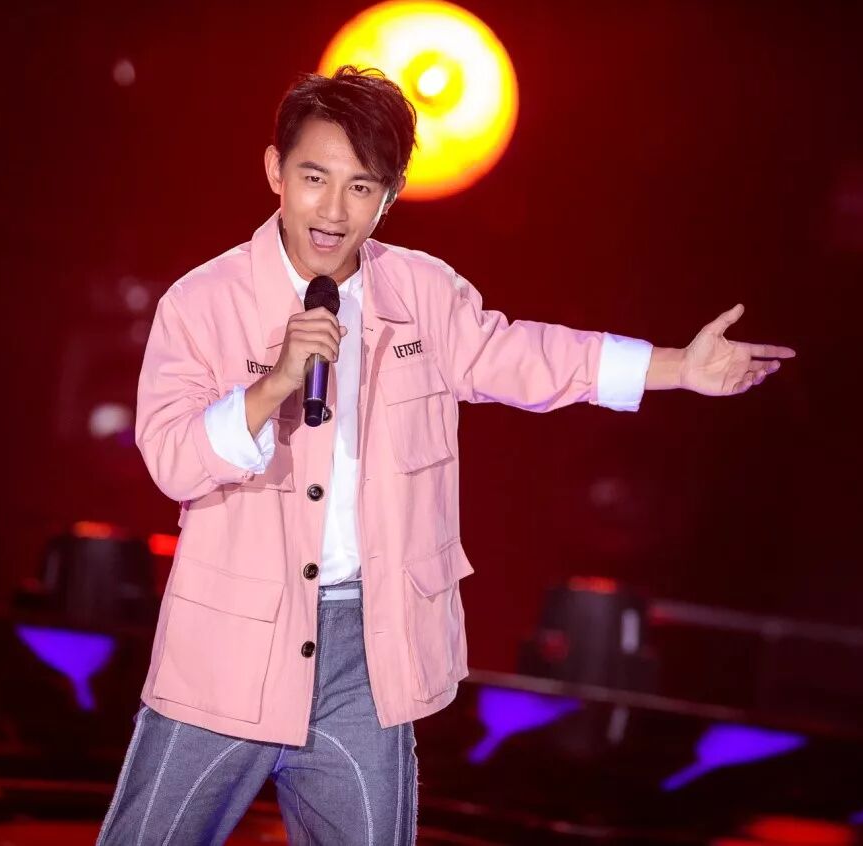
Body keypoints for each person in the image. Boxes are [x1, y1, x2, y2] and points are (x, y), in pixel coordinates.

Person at [96, 65, 796, 846]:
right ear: (275, 171)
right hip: (226, 650)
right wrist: (273, 386)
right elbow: (172, 459)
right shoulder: (203, 302)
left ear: (391, 195)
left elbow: (525, 357)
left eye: (362, 187)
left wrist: (676, 367)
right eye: (315, 178)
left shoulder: (422, 293)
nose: (333, 209)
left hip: (365, 656)